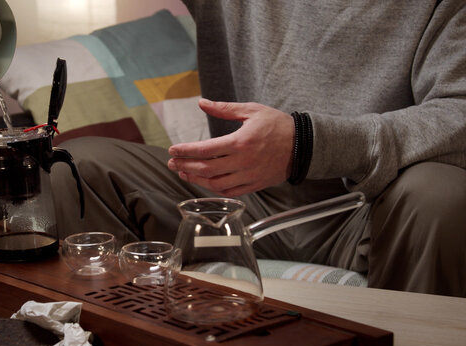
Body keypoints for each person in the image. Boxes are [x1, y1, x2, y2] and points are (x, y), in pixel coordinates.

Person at [52, 0, 466, 297]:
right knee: (77, 165)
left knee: (440, 195)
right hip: (235, 200)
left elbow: (458, 110)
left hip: (369, 213)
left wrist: (307, 144)